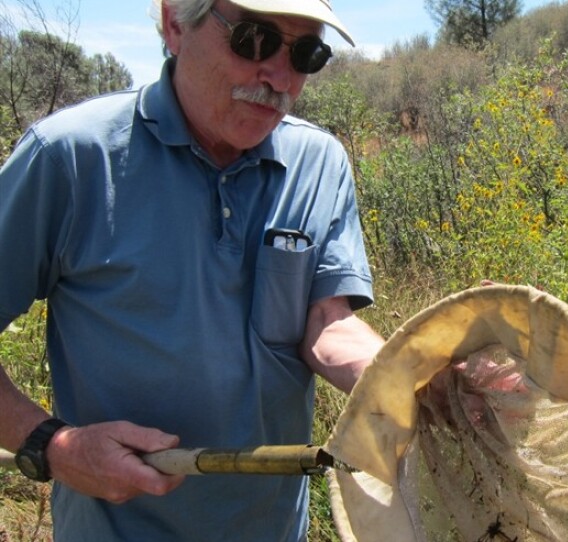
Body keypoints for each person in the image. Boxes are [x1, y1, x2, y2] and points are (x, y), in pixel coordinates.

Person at [0, 0, 385, 539]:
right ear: (175, 23)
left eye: (305, 53)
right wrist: (52, 446)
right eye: (254, 40)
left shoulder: (318, 163)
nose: (278, 75)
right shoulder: (71, 156)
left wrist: (418, 377)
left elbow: (327, 322)